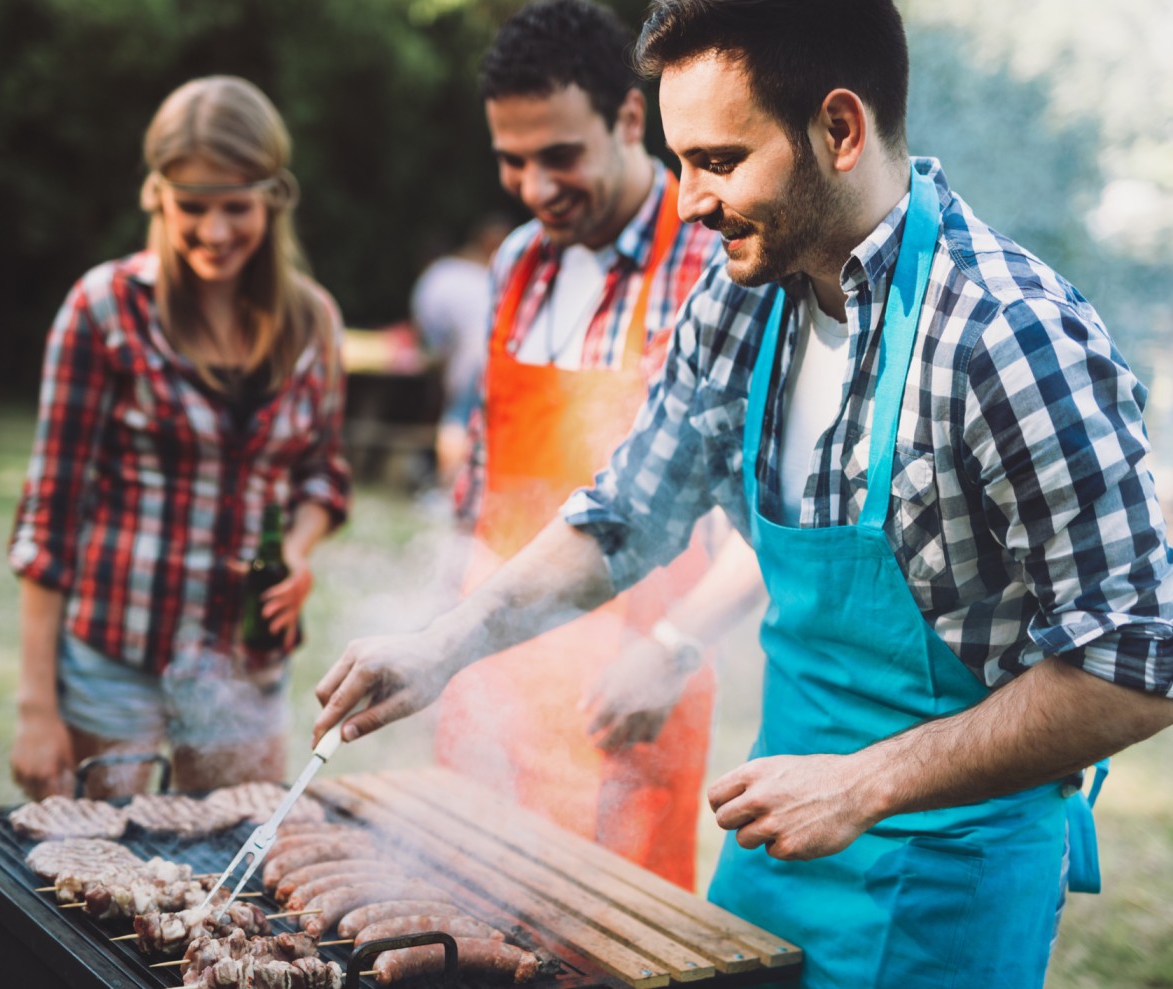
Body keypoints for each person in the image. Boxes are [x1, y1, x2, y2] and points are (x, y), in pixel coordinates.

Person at [312, 1, 1173, 986]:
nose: (685, 200)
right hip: (773, 840)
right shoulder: (737, 296)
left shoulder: (1003, 334)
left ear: (839, 130)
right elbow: (627, 512)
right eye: (679, 162)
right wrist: (444, 643)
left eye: (717, 160)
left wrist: (864, 782)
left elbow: (1136, 662)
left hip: (948, 874)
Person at [432, 0, 754, 892]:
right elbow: (484, 482)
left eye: (559, 155)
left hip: (627, 686)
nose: (535, 187)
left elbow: (765, 512)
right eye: (513, 160)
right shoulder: (516, 264)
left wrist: (677, 644)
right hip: (491, 676)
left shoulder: (712, 262)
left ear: (626, 119)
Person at [9, 76, 350, 801]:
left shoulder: (314, 321)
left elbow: (325, 473)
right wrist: (36, 707)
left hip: (245, 667)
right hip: (113, 659)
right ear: (156, 195)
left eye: (237, 206)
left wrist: (296, 551)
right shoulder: (101, 310)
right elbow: (49, 515)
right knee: (98, 876)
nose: (215, 231)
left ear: (274, 197)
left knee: (231, 871)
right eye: (193, 206)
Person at [409, 213, 512, 486]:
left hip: (472, 357)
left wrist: (440, 361)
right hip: (501, 354)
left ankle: (448, 488)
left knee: (457, 418)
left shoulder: (441, 276)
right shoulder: (486, 275)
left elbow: (431, 333)